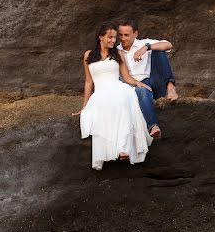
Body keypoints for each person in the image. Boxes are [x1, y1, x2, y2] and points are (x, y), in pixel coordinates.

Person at [75, 20, 153, 170]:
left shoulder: (118, 53)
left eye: (114, 38)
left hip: (118, 87)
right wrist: (84, 106)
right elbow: (89, 82)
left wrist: (139, 83)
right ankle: (114, 148)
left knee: (123, 101)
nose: (113, 41)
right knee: (103, 107)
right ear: (100, 37)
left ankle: (124, 148)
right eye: (110, 37)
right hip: (101, 91)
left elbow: (126, 77)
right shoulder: (88, 55)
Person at [116, 18, 179, 140]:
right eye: (120, 35)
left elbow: (168, 45)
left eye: (126, 35)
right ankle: (153, 127)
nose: (123, 38)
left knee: (159, 50)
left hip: (153, 84)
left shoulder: (143, 43)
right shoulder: (116, 51)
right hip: (134, 89)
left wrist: (147, 47)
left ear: (135, 34)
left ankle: (171, 88)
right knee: (141, 91)